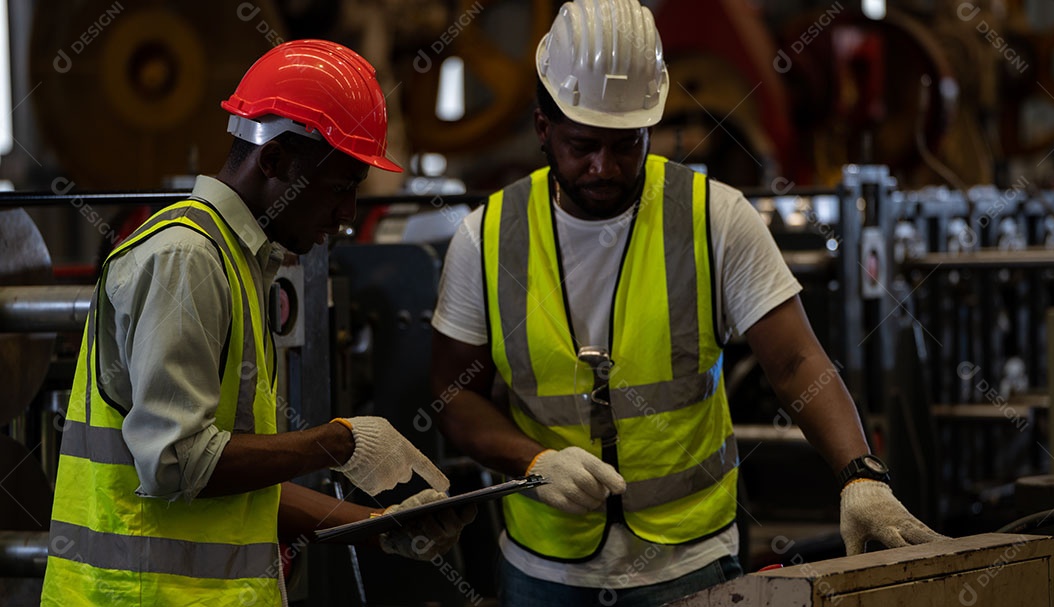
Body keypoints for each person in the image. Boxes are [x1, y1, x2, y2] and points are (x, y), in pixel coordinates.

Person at [430, 1, 947, 605]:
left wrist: (860, 475)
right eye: (581, 145)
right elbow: (452, 394)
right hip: (546, 572)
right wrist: (534, 459)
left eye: (626, 145)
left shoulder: (714, 216)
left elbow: (796, 363)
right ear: (543, 127)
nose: (603, 167)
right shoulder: (485, 236)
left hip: (692, 561)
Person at [41, 40, 473, 607]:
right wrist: (337, 442)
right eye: (341, 190)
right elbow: (178, 463)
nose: (347, 217)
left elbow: (228, 483)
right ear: (274, 162)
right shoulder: (187, 260)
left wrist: (377, 525)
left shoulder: (236, 259)